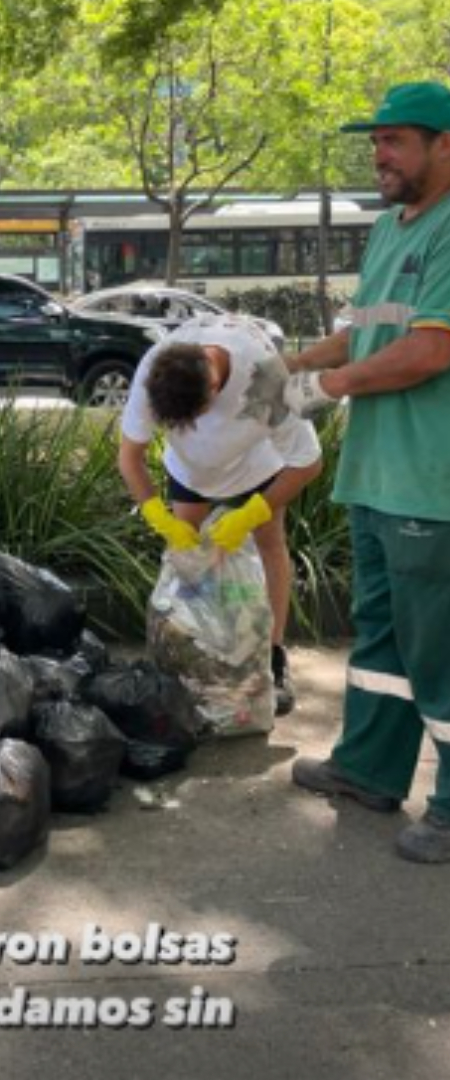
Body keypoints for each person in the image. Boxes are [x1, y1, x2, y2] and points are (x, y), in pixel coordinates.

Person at [272, 82, 450, 863]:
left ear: (446, 145)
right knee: (380, 637)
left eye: (397, 140)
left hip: (432, 482)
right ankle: (371, 770)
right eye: (375, 140)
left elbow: (430, 350)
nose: (379, 154)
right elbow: (362, 330)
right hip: (379, 475)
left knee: (438, 649)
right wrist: (288, 368)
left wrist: (325, 388)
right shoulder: (388, 231)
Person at [116, 314, 323, 716]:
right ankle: (196, 657)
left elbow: (308, 463)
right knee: (190, 562)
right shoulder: (156, 367)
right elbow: (130, 457)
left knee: (270, 546)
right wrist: (158, 515)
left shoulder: (266, 381)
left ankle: (273, 658)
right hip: (191, 472)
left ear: (214, 390)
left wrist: (251, 514)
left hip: (257, 466)